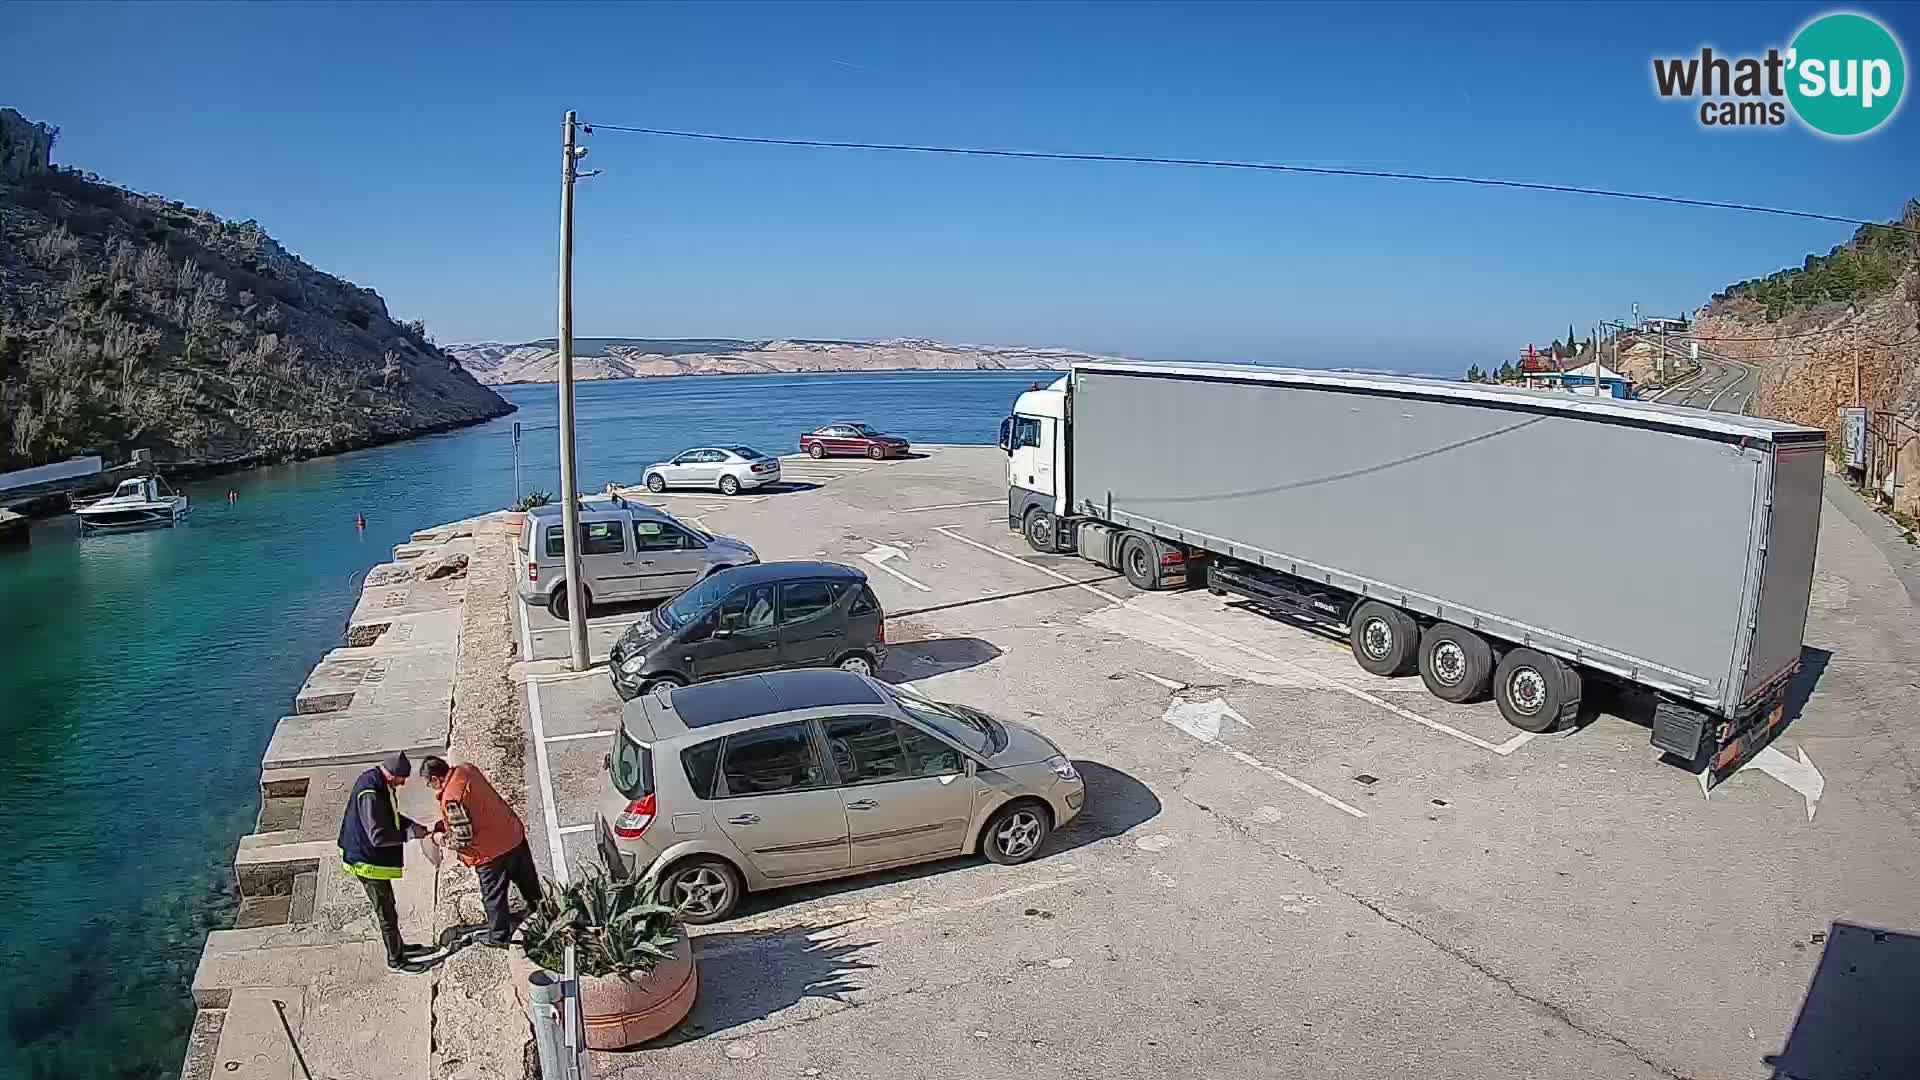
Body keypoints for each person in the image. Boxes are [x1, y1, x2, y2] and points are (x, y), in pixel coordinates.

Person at [421, 756, 543, 947]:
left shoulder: (451, 798)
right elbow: (477, 806)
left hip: (489, 854)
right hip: (512, 835)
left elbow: (462, 838)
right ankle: (543, 913)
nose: (431, 788)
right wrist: (447, 823)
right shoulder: (467, 770)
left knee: (494, 899)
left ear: (436, 779)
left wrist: (439, 839)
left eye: (430, 784)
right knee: (528, 883)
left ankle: (499, 938)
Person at [337, 752, 431, 972]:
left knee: (390, 907)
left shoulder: (377, 781)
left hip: (367, 856)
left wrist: (412, 825)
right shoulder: (371, 792)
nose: (403, 783)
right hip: (366, 862)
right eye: (402, 778)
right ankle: (396, 960)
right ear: (392, 774)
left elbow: (390, 816)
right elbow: (377, 836)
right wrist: (409, 834)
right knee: (386, 912)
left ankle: (399, 947)